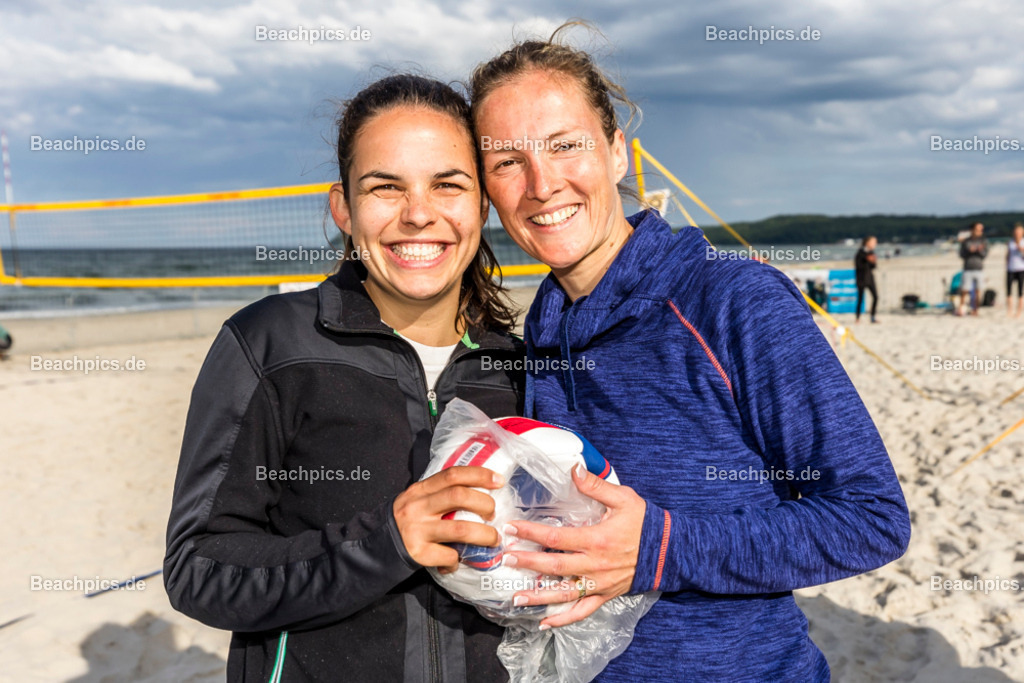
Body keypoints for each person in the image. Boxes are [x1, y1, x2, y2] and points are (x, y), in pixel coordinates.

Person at [469, 24, 910, 682]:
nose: (541, 183)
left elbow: (870, 518)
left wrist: (661, 546)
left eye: (566, 145)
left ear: (617, 152)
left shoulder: (732, 300)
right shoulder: (541, 334)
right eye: (508, 161)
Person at [164, 74, 526, 682]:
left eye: (448, 185)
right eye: (386, 187)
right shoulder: (270, 344)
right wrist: (383, 543)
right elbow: (197, 569)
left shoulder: (516, 366)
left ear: (481, 206)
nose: (418, 214)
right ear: (344, 208)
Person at [958, 221, 988, 316]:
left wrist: (979, 250)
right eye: (978, 229)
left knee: (978, 290)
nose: (980, 231)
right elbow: (961, 254)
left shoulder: (983, 241)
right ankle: (961, 309)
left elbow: (985, 254)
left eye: (981, 229)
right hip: (968, 268)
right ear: (972, 230)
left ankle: (975, 310)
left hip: (979, 268)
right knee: (965, 290)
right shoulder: (966, 241)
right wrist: (969, 251)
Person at [854, 235, 879, 323]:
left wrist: (873, 261)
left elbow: (873, 266)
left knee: (876, 297)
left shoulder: (871, 252)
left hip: (870, 278)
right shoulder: (860, 252)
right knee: (860, 299)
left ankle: (872, 317)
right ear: (867, 242)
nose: (875, 244)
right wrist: (867, 259)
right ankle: (857, 318)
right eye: (873, 242)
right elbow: (858, 266)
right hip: (861, 279)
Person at [1006, 222, 1024, 317]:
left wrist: (1021, 249)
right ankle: (1009, 311)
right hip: (1010, 269)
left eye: (1019, 232)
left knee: (1020, 291)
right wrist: (1006, 266)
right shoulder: (1010, 242)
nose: (1017, 233)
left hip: (1021, 268)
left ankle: (1018, 312)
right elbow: (1008, 255)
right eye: (1016, 232)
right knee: (1009, 291)